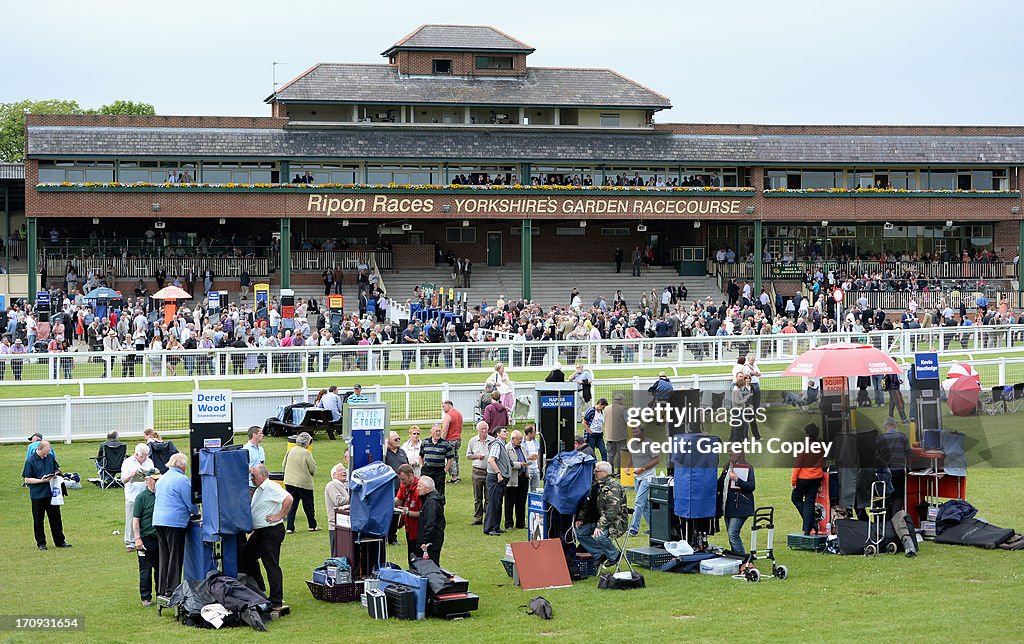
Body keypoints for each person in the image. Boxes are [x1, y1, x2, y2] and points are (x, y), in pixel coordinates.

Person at [242, 464, 293, 611]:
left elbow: (288, 498)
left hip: (270, 532)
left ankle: (276, 599)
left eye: (254, 475)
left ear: (263, 475)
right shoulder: (260, 488)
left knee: (271, 564)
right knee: (246, 557)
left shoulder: (270, 486)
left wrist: (279, 516)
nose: (252, 478)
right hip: (260, 532)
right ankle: (259, 588)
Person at [153, 452, 196, 598]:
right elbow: (191, 503)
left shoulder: (161, 479)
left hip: (158, 520)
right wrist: (197, 513)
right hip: (174, 522)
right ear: (183, 466)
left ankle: (161, 588)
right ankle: (172, 589)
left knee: (164, 555)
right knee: (175, 556)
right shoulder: (182, 480)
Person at [575, 461, 627, 566]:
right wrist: (580, 518)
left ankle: (614, 555)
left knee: (600, 536)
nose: (594, 473)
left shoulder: (613, 487)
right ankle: (600, 554)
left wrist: (600, 526)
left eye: (596, 471)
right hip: (599, 519)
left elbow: (612, 511)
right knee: (579, 533)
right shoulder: (596, 485)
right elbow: (588, 503)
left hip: (615, 521)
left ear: (605, 472)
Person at [23, 441, 71, 551]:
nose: (46, 455)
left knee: (56, 518)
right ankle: (41, 543)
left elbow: (56, 468)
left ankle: (60, 541)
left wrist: (57, 474)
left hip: (51, 493)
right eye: (44, 453)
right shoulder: (30, 461)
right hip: (38, 494)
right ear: (39, 450)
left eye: (47, 453)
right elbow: (27, 479)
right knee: (38, 519)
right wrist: (41, 480)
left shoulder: (49, 457)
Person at [717, 446, 755, 561]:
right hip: (727, 506)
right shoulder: (727, 467)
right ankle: (736, 559)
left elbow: (751, 486)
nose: (730, 453)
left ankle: (744, 561)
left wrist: (737, 480)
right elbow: (719, 484)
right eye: (729, 450)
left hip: (740, 506)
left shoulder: (747, 467)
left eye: (732, 451)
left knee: (733, 534)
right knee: (731, 535)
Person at [132, 469, 161, 606]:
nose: (157, 482)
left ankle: (161, 593)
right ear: (147, 480)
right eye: (155, 480)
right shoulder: (141, 497)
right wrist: (137, 538)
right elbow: (136, 519)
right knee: (145, 569)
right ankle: (146, 597)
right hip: (146, 538)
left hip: (160, 538)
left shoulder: (163, 495)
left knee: (161, 568)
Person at [791, 423, 825, 535]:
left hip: (804, 477)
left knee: (796, 498)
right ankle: (808, 527)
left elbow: (798, 465)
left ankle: (810, 521)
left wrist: (793, 481)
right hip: (816, 477)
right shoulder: (820, 446)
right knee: (809, 502)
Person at [876, 416, 912, 519]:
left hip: (885, 472)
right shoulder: (903, 436)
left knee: (885, 495)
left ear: (885, 426)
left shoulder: (880, 438)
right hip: (899, 471)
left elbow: (876, 455)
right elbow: (909, 454)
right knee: (898, 495)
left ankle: (886, 519)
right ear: (895, 425)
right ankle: (895, 518)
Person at [121, 443, 154, 551]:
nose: (144, 459)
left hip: (146, 493)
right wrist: (132, 474)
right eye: (142, 456)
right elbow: (123, 480)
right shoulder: (128, 463)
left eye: (146, 456)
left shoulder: (149, 462)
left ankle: (144, 538)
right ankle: (130, 542)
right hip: (132, 494)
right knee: (131, 518)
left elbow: (153, 475)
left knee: (146, 517)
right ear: (136, 454)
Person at [283, 432, 318, 533]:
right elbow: (312, 468)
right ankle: (312, 525)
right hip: (303, 483)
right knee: (308, 505)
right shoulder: (306, 453)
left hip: (289, 482)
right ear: (307, 442)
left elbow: (283, 464)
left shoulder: (291, 450)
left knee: (292, 505)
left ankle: (289, 527)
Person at [627, 426, 659, 536]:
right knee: (644, 505)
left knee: (639, 502)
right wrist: (627, 467)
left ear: (642, 431)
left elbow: (656, 460)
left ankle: (633, 529)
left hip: (648, 477)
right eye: (633, 432)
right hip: (637, 477)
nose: (635, 434)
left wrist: (643, 468)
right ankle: (655, 528)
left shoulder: (650, 443)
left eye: (637, 431)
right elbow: (632, 457)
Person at [484, 427, 511, 536]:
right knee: (493, 503)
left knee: (498, 503)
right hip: (495, 478)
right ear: (498, 434)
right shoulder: (497, 445)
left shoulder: (502, 445)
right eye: (504, 431)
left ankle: (496, 526)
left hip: (499, 478)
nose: (506, 433)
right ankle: (489, 528)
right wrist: (498, 473)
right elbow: (491, 460)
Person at [384, 431, 409, 544]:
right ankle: (386, 536)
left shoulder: (402, 452)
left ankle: (393, 536)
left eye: (399, 438)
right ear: (388, 442)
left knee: (399, 513)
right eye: (395, 439)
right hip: (390, 488)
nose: (398, 440)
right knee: (389, 512)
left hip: (403, 487)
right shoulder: (385, 454)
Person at [394, 464, 422, 561]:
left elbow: (423, 513)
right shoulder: (404, 486)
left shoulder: (420, 489)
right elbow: (398, 500)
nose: (401, 482)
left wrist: (407, 512)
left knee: (418, 557)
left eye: (403, 479)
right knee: (410, 555)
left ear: (411, 475)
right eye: (400, 479)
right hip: (408, 527)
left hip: (419, 529)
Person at [419, 423, 455, 500]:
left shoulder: (445, 444)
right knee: (424, 491)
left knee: (439, 493)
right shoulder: (425, 442)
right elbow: (421, 456)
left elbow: (450, 458)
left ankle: (439, 510)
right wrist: (422, 467)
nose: (438, 433)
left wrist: (445, 470)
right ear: (431, 432)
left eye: (439, 431)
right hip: (427, 470)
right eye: (436, 431)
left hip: (439, 471)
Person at [416, 476, 446, 565]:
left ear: (428, 489)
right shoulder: (429, 499)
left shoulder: (432, 502)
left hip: (431, 542)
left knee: (430, 566)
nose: (417, 489)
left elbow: (430, 522)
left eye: (419, 486)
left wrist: (425, 541)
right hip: (433, 539)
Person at [504, 430, 530, 530]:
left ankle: (521, 523)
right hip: (512, 479)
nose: (521, 441)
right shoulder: (507, 448)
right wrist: (520, 465)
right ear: (513, 439)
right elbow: (507, 464)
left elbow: (526, 459)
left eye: (521, 439)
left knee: (521, 501)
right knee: (510, 502)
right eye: (519, 439)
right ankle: (509, 524)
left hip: (523, 477)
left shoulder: (522, 447)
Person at [466, 421, 491, 525]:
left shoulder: (493, 441)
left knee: (488, 497)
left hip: (489, 471)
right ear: (478, 430)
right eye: (482, 429)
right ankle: (478, 518)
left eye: (485, 429)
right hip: (477, 471)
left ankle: (488, 517)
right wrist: (477, 456)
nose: (484, 431)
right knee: (478, 497)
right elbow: (468, 456)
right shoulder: (473, 441)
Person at [324, 463, 350, 554]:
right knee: (337, 553)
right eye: (341, 470)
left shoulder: (343, 486)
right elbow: (338, 501)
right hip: (336, 526)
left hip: (344, 525)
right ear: (334, 475)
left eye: (344, 470)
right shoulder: (332, 485)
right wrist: (352, 498)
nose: (344, 472)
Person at [441, 400, 464, 483]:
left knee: (451, 458)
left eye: (443, 406)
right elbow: (461, 427)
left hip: (450, 439)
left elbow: (444, 430)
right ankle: (457, 475)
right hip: (457, 439)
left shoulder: (448, 415)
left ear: (449, 405)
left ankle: (454, 477)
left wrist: (442, 441)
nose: (442, 408)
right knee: (456, 457)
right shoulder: (459, 414)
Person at [605, 393, 629, 473]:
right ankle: (619, 472)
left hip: (609, 436)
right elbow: (628, 421)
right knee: (620, 456)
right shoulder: (623, 409)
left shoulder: (606, 408)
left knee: (610, 455)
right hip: (620, 436)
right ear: (621, 400)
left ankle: (609, 472)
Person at [522, 424, 542, 491]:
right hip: (528, 468)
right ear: (529, 433)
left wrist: (539, 465)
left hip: (536, 468)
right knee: (525, 489)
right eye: (534, 432)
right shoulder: (522, 443)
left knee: (536, 489)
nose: (535, 433)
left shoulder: (535, 441)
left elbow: (538, 453)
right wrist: (528, 457)